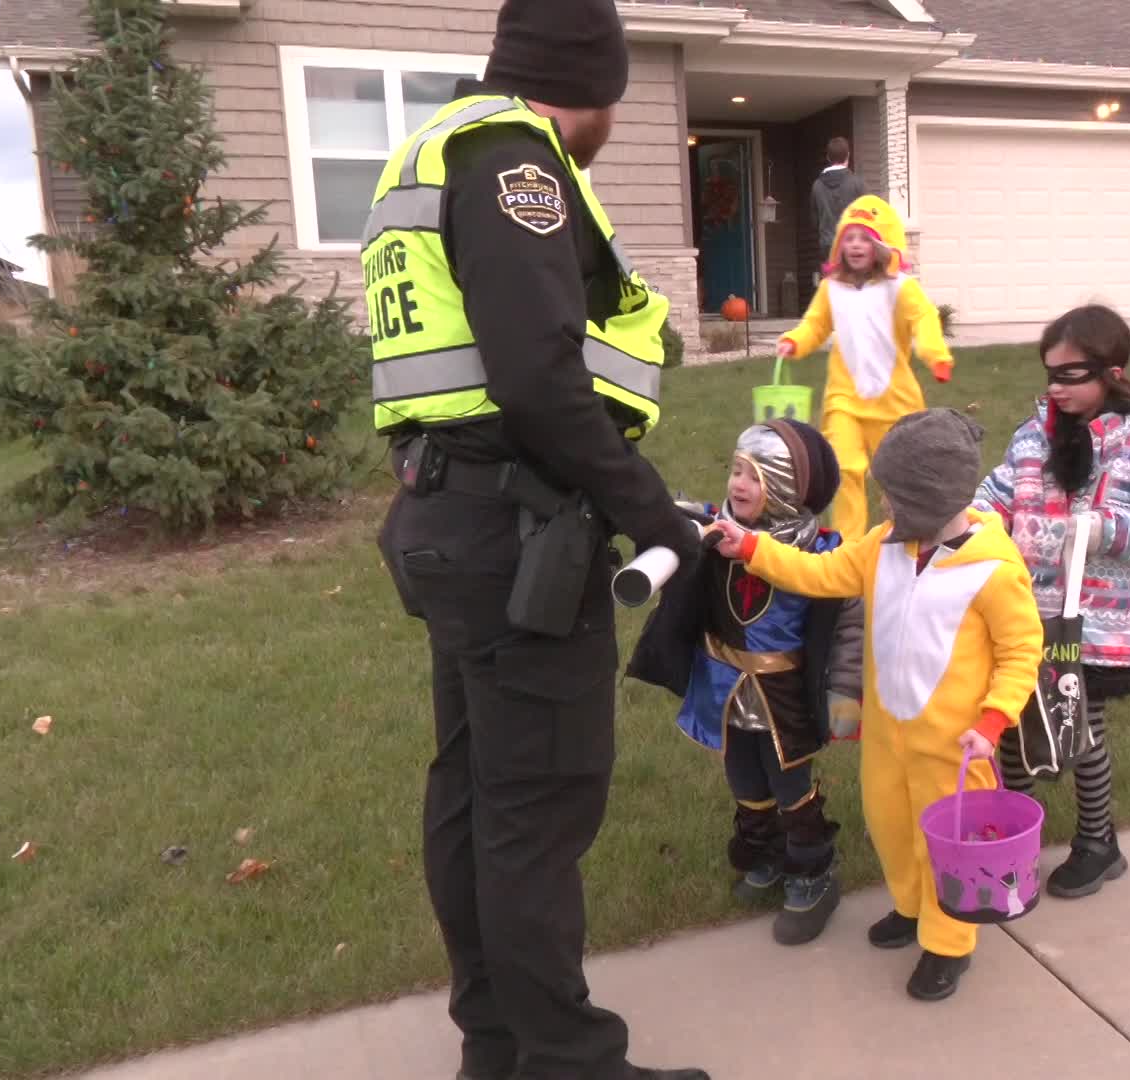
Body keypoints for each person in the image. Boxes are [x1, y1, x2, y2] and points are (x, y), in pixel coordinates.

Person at [364, 2, 708, 1078]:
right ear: (587, 86)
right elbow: (534, 376)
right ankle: (567, 1061)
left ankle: (499, 1045)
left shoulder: (428, 156)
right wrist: (653, 512)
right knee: (537, 811)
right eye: (613, 95)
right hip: (515, 533)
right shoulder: (518, 165)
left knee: (473, 796)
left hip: (447, 513)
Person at [709, 408, 1045, 1003]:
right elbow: (822, 572)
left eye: (894, 495)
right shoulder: (884, 545)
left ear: (929, 497)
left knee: (946, 846)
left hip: (955, 748)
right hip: (888, 732)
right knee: (891, 828)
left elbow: (1022, 651)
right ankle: (912, 909)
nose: (883, 506)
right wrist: (754, 548)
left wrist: (992, 723)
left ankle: (948, 944)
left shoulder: (993, 570)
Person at [972, 305, 1130, 898]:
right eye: (1050, 373)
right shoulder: (1033, 438)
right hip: (1023, 614)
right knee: (1016, 727)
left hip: (1097, 622)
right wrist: (965, 523)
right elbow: (995, 496)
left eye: (1070, 375)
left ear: (1112, 373)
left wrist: (1107, 530)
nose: (1055, 387)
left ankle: (1099, 842)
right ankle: (1011, 842)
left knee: (1082, 729)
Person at [625, 418, 863, 946]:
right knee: (743, 776)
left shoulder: (821, 553)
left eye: (753, 476)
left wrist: (846, 693)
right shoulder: (713, 534)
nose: (737, 485)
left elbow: (848, 626)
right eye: (735, 470)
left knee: (789, 783)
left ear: (783, 487)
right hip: (722, 683)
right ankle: (767, 852)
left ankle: (812, 869)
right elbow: (674, 523)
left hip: (783, 694)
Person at [775, 195, 953, 537]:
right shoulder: (831, 289)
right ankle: (849, 547)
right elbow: (815, 325)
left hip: (895, 403)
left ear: (881, 244)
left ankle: (907, 537)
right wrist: (796, 341)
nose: (855, 246)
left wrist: (936, 355)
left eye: (865, 238)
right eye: (849, 238)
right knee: (843, 470)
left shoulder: (900, 288)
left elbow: (924, 319)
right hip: (845, 400)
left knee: (900, 475)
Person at [811, 136, 868, 264]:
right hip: (854, 249)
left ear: (828, 157)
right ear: (848, 155)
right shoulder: (857, 183)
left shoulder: (817, 185)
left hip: (828, 248)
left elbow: (815, 221)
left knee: (833, 284)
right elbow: (869, 218)